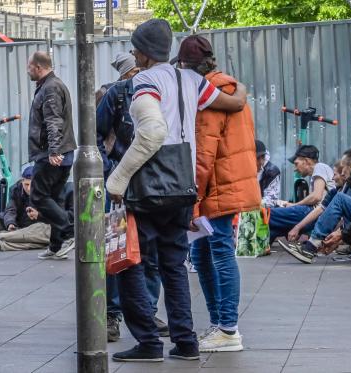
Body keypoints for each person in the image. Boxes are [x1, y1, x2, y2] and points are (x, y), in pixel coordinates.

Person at [106, 19, 248, 362]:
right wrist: (240, 86)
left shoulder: (144, 80)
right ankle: (185, 343)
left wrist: (118, 180)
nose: (133, 53)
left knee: (131, 265)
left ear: (142, 52)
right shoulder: (193, 81)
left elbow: (152, 132)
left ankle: (149, 344)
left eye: (134, 48)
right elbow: (235, 102)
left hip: (150, 187)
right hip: (184, 185)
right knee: (173, 265)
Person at [173, 35, 258, 353]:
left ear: (188, 67)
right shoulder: (230, 89)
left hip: (217, 186)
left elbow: (203, 155)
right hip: (227, 182)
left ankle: (227, 329)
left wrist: (191, 197)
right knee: (205, 254)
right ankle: (221, 326)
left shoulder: (209, 96)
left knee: (218, 252)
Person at [96, 53, 167, 343]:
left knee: (151, 251)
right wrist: (109, 170)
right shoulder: (116, 94)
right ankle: (112, 314)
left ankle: (147, 311)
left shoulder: (162, 88)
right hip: (121, 183)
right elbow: (97, 135)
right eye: (134, 71)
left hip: (151, 181)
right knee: (116, 249)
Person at [26, 51, 78, 260]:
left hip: (52, 154)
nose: (27, 70)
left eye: (29, 66)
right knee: (54, 197)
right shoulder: (49, 86)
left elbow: (53, 120)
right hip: (59, 152)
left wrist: (54, 150)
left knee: (37, 196)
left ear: (38, 67)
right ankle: (56, 246)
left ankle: (69, 232)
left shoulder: (50, 88)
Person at [277, 157, 351, 263]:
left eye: (335, 174)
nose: (332, 178)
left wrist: (338, 237)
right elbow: (319, 209)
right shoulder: (335, 191)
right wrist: (297, 227)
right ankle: (310, 246)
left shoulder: (348, 192)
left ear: (343, 175)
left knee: (274, 214)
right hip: (344, 228)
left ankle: (310, 247)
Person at [0, 166, 51, 252]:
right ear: (22, 181)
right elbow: (10, 209)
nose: (28, 189)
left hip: (34, 230)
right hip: (17, 225)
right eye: (26, 184)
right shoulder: (16, 189)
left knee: (43, 231)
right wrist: (10, 223)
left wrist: (39, 215)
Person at [267, 145, 335, 240]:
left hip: (316, 214)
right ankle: (263, 243)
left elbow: (316, 196)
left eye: (296, 163)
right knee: (275, 227)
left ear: (306, 161)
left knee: (268, 214)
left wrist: (295, 205)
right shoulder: (319, 171)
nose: (295, 169)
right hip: (316, 215)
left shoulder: (320, 167)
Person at [256, 140, 281, 208]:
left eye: (263, 156)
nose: (261, 161)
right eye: (257, 158)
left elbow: (271, 199)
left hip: (263, 210)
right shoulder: (242, 168)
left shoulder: (272, 171)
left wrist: (252, 205)